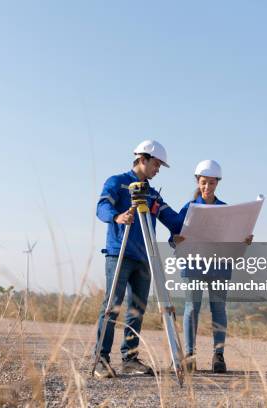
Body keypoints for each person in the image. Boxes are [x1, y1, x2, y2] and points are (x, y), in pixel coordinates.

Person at [93, 140, 180, 379]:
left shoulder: (151, 194)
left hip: (145, 257)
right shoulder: (117, 182)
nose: (158, 169)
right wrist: (117, 216)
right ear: (143, 159)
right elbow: (101, 207)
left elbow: (172, 218)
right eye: (156, 164)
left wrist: (188, 225)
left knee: (137, 310)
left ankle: (129, 359)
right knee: (112, 307)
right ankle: (101, 359)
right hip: (119, 253)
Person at [172, 160, 253, 373]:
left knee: (218, 309)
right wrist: (176, 240)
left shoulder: (226, 211)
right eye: (204, 182)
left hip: (219, 265)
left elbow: (234, 246)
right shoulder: (188, 209)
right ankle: (190, 355)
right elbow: (174, 237)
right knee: (192, 308)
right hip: (193, 265)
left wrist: (243, 241)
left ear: (218, 183)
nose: (208, 187)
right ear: (198, 182)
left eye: (212, 183)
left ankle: (218, 356)